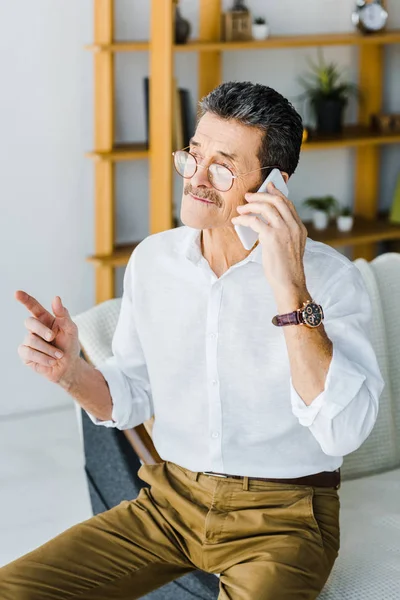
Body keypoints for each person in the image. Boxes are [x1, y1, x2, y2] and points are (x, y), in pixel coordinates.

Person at [1, 81, 384, 600]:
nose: (197, 179)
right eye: (194, 156)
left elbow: (343, 433)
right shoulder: (153, 261)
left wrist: (290, 286)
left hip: (285, 521)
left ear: (275, 185)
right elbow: (131, 395)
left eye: (223, 167)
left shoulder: (330, 280)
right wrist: (71, 372)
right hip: (169, 503)